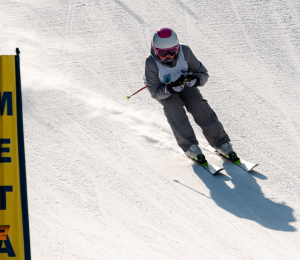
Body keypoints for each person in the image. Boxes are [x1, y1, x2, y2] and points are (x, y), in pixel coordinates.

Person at [144, 27, 240, 165]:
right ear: (155, 50)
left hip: (184, 84)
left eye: (172, 51)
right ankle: (189, 145)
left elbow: (203, 74)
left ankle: (220, 142)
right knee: (172, 106)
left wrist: (195, 79)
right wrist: (170, 88)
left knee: (197, 103)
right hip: (165, 89)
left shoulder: (185, 52)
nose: (168, 56)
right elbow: (155, 93)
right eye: (162, 52)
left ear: (177, 48)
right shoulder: (151, 62)